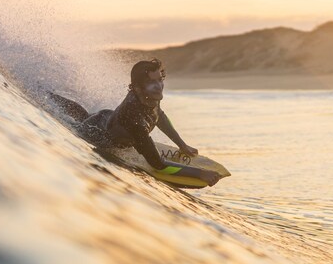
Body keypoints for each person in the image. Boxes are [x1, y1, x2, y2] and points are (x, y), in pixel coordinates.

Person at [52, 59, 219, 184]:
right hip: (96, 131)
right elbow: (157, 164)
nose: (159, 86)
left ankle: (50, 95)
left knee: (83, 114)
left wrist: (181, 144)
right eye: (152, 82)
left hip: (108, 117)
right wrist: (200, 174)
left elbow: (159, 116)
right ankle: (48, 96)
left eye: (160, 79)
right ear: (137, 88)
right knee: (78, 121)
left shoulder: (150, 95)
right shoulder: (135, 122)